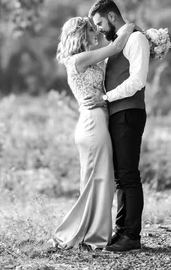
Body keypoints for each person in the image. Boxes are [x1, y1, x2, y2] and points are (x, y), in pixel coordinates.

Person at [51, 16, 135, 250]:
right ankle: (94, 237)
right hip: (93, 123)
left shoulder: (86, 60)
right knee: (100, 181)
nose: (95, 33)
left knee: (98, 181)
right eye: (91, 30)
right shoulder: (79, 59)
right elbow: (116, 47)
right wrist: (132, 27)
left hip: (96, 121)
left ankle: (91, 234)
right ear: (80, 34)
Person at [84, 0, 150, 253]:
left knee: (129, 176)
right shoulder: (120, 42)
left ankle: (132, 236)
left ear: (111, 16)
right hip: (118, 114)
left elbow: (137, 81)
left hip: (129, 113)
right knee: (120, 177)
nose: (98, 29)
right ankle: (121, 231)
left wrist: (105, 97)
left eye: (100, 23)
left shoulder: (136, 40)